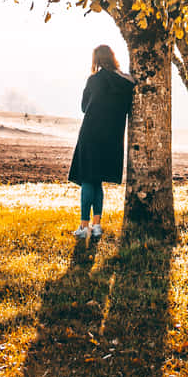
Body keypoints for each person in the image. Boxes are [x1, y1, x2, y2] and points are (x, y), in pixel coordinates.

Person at [68, 43, 133, 241]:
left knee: (88, 179)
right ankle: (97, 226)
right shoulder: (127, 82)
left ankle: (83, 226)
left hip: (91, 133)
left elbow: (83, 107)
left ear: (96, 60)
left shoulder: (94, 80)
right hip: (112, 137)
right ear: (113, 58)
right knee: (97, 181)